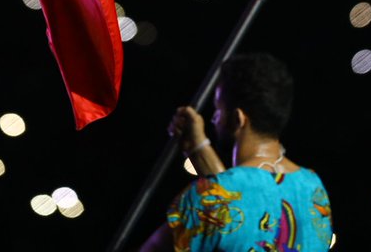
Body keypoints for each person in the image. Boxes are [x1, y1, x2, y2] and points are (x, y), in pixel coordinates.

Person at [139, 52, 332, 251]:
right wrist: (198, 148)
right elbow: (236, 204)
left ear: (238, 118)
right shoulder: (314, 188)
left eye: (218, 109)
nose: (214, 118)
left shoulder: (204, 197)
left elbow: (228, 204)